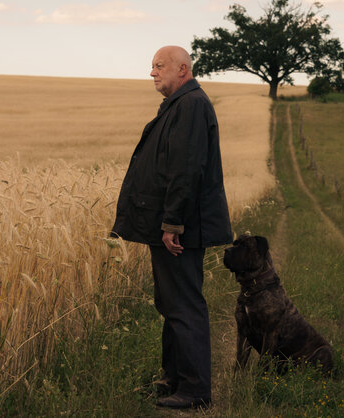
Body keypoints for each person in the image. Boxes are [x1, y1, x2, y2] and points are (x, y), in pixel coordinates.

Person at [110, 45, 232, 409]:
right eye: (151, 66)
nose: (152, 73)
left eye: (158, 66)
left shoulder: (191, 106)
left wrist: (172, 223)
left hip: (181, 228)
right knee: (171, 302)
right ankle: (173, 380)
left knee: (183, 305)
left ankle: (195, 391)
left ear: (182, 69)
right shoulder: (182, 105)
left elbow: (185, 168)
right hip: (175, 224)